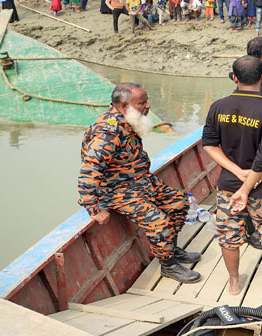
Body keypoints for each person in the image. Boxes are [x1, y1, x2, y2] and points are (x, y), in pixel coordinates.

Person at [79, 83, 202, 284]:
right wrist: (93, 209)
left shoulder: (127, 119)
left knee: (180, 204)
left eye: (146, 101)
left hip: (140, 180)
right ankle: (168, 265)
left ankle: (170, 250)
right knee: (159, 222)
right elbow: (88, 172)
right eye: (142, 103)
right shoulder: (107, 132)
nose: (148, 106)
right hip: (116, 190)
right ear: (125, 105)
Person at [202, 56, 262, 297]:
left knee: (229, 234)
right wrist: (247, 183)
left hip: (229, 185)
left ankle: (233, 282)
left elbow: (209, 144)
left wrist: (236, 172)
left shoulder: (218, 107)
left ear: (234, 78)